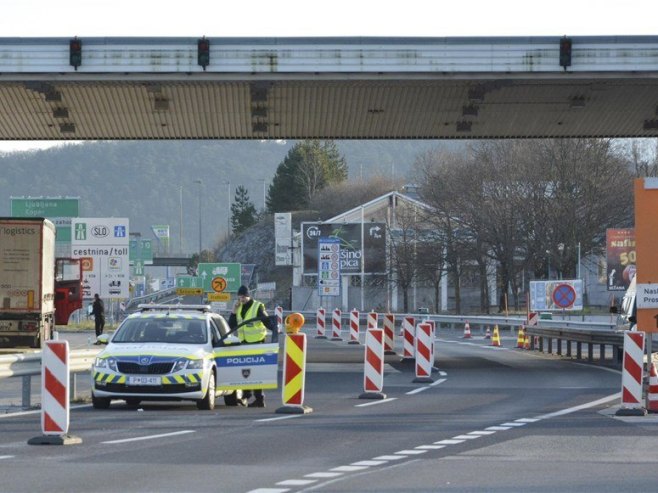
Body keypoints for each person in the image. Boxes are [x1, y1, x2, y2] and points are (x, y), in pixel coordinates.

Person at [228, 285, 273, 408]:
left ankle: (259, 398)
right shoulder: (239, 307)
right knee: (245, 370)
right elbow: (231, 325)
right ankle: (246, 395)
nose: (241, 299)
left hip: (257, 343)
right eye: (240, 297)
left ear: (248, 296)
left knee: (256, 372)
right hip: (244, 343)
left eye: (243, 297)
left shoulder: (257, 306)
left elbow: (267, 321)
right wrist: (233, 311)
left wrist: (275, 329)